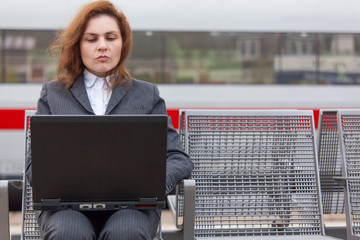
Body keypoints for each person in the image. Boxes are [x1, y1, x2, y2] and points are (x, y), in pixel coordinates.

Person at [25, 1, 194, 239]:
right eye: (92, 39)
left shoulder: (147, 94)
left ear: (122, 44)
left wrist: (149, 182)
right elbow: (34, 165)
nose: (102, 46)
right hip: (66, 207)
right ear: (78, 45)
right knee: (69, 232)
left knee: (125, 232)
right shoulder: (53, 94)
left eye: (111, 37)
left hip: (133, 207)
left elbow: (178, 158)